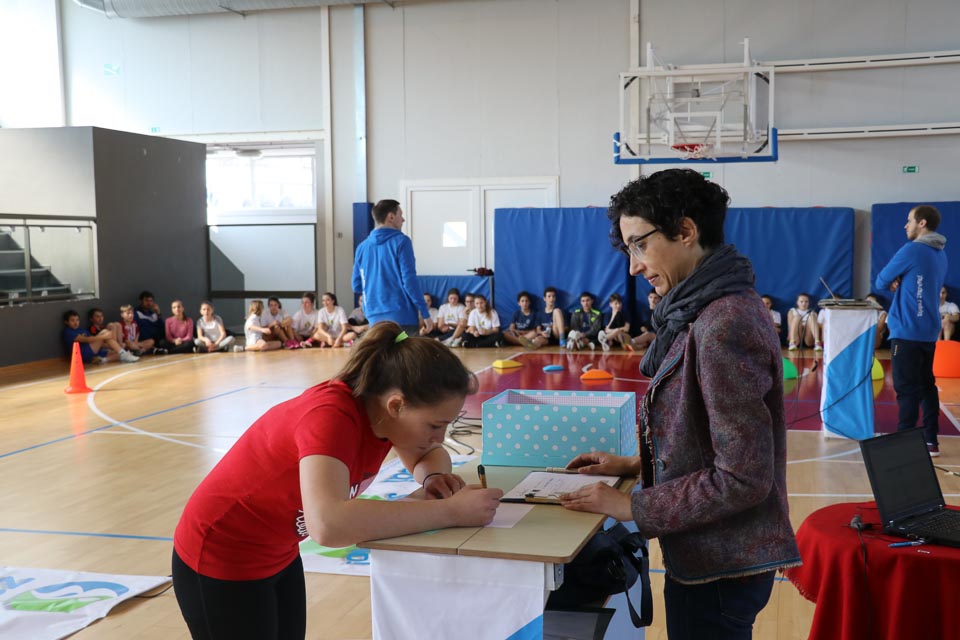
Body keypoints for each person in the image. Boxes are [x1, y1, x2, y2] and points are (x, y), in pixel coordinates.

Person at [556, 169, 799, 639]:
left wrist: (631, 506)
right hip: (711, 555)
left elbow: (743, 477)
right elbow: (706, 439)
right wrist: (636, 463)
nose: (633, 266)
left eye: (639, 245)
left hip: (722, 562)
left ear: (685, 231)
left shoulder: (723, 323)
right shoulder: (705, 308)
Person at [171, 322, 503, 638]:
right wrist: (451, 512)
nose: (440, 437)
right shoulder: (331, 417)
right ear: (396, 405)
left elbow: (427, 455)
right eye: (434, 425)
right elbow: (328, 525)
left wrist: (434, 478)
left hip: (277, 551)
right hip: (220, 556)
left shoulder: (384, 416)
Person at [875, 204, 948, 457]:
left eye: (909, 220)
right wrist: (903, 280)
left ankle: (904, 444)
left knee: (906, 390)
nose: (905, 225)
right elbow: (919, 282)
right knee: (927, 385)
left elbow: (881, 281)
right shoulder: (940, 253)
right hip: (928, 330)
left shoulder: (912, 249)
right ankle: (930, 440)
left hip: (907, 331)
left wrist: (895, 280)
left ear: (922, 223)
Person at [351, 199, 433, 335]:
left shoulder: (362, 248)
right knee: (405, 349)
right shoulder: (402, 242)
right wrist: (425, 314)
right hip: (402, 319)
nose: (403, 219)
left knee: (384, 350)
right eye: (401, 215)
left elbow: (357, 285)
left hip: (374, 319)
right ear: (391, 217)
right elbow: (409, 282)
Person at [62, 310, 138, 364]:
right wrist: (104, 336)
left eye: (77, 320)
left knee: (117, 353)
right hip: (81, 355)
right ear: (66, 322)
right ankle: (123, 353)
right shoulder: (68, 332)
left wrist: (111, 346)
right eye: (72, 321)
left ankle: (103, 360)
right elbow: (86, 340)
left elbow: (96, 342)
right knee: (104, 332)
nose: (76, 323)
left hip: (92, 352)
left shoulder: (82, 330)